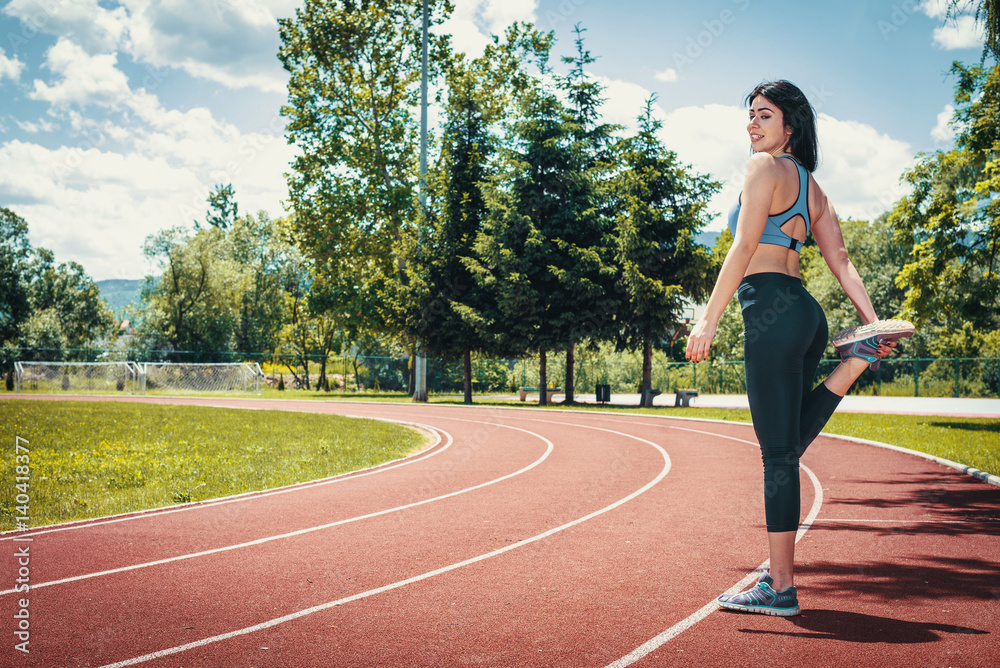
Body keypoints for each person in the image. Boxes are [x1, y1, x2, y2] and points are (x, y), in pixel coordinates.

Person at [684, 80, 914, 617]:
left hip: (770, 310)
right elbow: (841, 260)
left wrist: (707, 319)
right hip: (807, 315)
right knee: (785, 448)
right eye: (750, 115)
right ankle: (853, 362)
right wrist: (871, 322)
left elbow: (743, 246)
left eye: (765, 115)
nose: (753, 124)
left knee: (776, 457)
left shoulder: (762, 168)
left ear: (791, 125)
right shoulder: (813, 188)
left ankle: (780, 586)